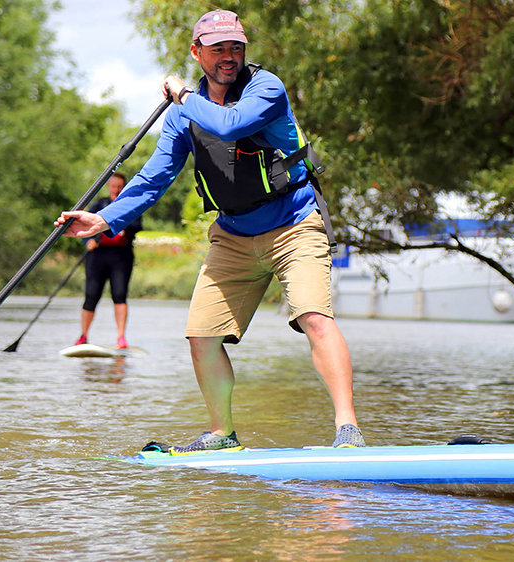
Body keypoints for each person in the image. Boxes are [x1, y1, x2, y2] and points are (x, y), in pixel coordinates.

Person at [55, 9, 363, 451]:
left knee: (314, 317)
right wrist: (104, 219)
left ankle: (347, 431)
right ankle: (222, 433)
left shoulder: (265, 88)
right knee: (202, 336)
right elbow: (154, 178)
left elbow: (230, 125)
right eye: (218, 47)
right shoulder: (184, 115)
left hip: (294, 224)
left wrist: (182, 95)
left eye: (235, 47)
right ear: (197, 52)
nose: (228, 56)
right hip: (232, 234)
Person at [76, 172, 141, 349]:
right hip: (97, 257)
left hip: (121, 257)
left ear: (124, 187)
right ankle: (83, 336)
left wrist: (121, 226)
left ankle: (121, 338)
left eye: (120, 187)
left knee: (119, 295)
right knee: (91, 295)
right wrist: (87, 241)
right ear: (109, 187)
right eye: (114, 186)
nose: (116, 190)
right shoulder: (100, 205)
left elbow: (138, 225)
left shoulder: (130, 205)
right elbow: (85, 225)